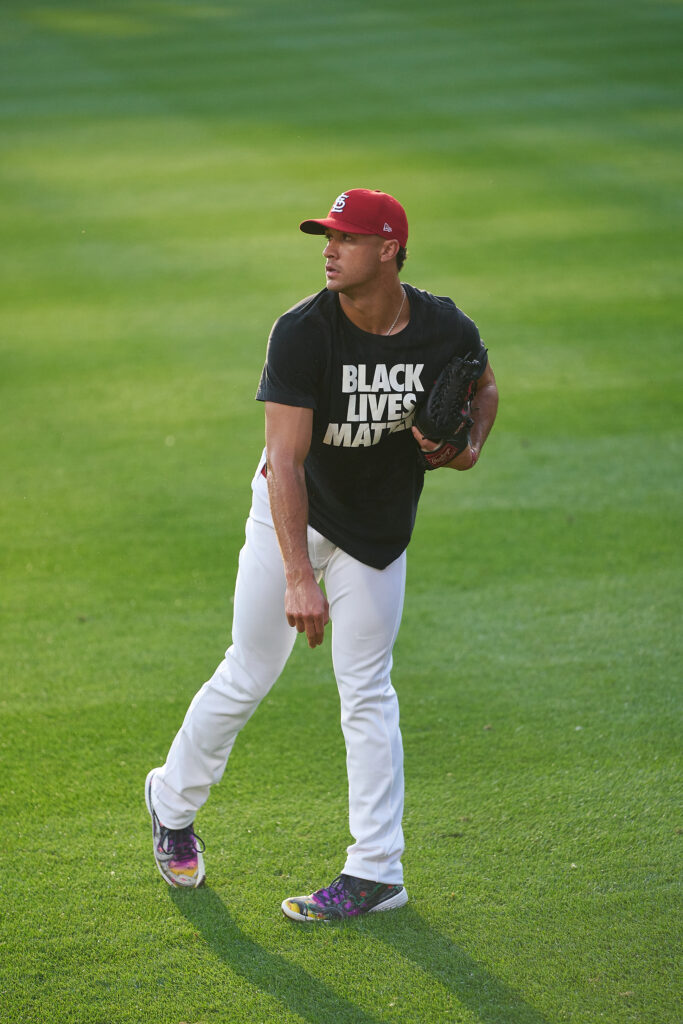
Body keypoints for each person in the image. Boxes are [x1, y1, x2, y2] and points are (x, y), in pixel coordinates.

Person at [145, 188, 499, 921]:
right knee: (250, 669)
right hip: (291, 519)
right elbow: (284, 459)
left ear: (391, 249)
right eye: (326, 237)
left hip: (376, 531)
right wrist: (299, 576)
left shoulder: (442, 326)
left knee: (366, 688)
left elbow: (483, 384)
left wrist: (465, 448)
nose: (329, 249)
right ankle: (171, 803)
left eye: (346, 237)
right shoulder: (302, 332)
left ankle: (376, 871)